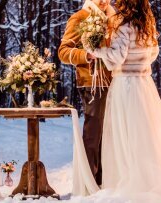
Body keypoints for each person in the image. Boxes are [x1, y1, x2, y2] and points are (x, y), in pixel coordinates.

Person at [82, 0, 161, 200]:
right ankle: (151, 177)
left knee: (126, 134)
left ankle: (131, 179)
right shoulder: (147, 25)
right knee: (146, 134)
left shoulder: (124, 26)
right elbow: (154, 53)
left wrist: (95, 49)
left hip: (126, 85)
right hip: (144, 84)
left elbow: (116, 57)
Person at [58, 0, 115, 186]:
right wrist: (87, 55)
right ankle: (88, 180)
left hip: (114, 82)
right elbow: (63, 51)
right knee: (93, 132)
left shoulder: (112, 19)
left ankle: (104, 179)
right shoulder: (80, 17)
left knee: (108, 132)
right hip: (91, 82)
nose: (105, 2)